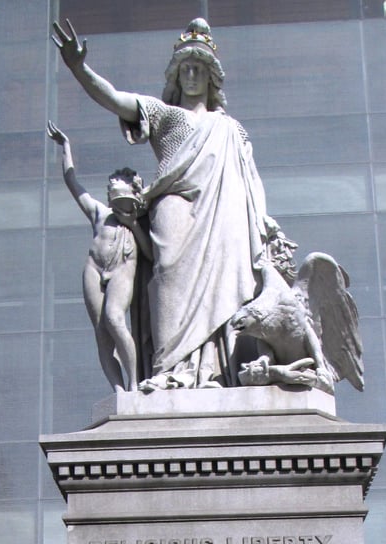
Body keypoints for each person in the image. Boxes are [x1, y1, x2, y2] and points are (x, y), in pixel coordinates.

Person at [51, 17, 269, 389]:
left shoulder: (230, 129)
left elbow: (251, 182)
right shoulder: (164, 114)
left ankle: (211, 372)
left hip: (224, 217)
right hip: (174, 211)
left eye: (199, 68)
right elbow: (115, 98)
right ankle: (170, 370)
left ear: (211, 76)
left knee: (227, 286)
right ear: (175, 74)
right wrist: (78, 67)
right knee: (165, 274)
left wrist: (263, 224)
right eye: (185, 67)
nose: (192, 75)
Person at [47, 121, 152, 393]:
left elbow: (151, 254)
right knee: (101, 333)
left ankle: (133, 385)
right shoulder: (99, 213)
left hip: (122, 270)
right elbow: (72, 182)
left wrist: (132, 223)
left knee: (115, 319)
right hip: (94, 269)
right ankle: (117, 389)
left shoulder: (140, 221)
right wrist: (66, 147)